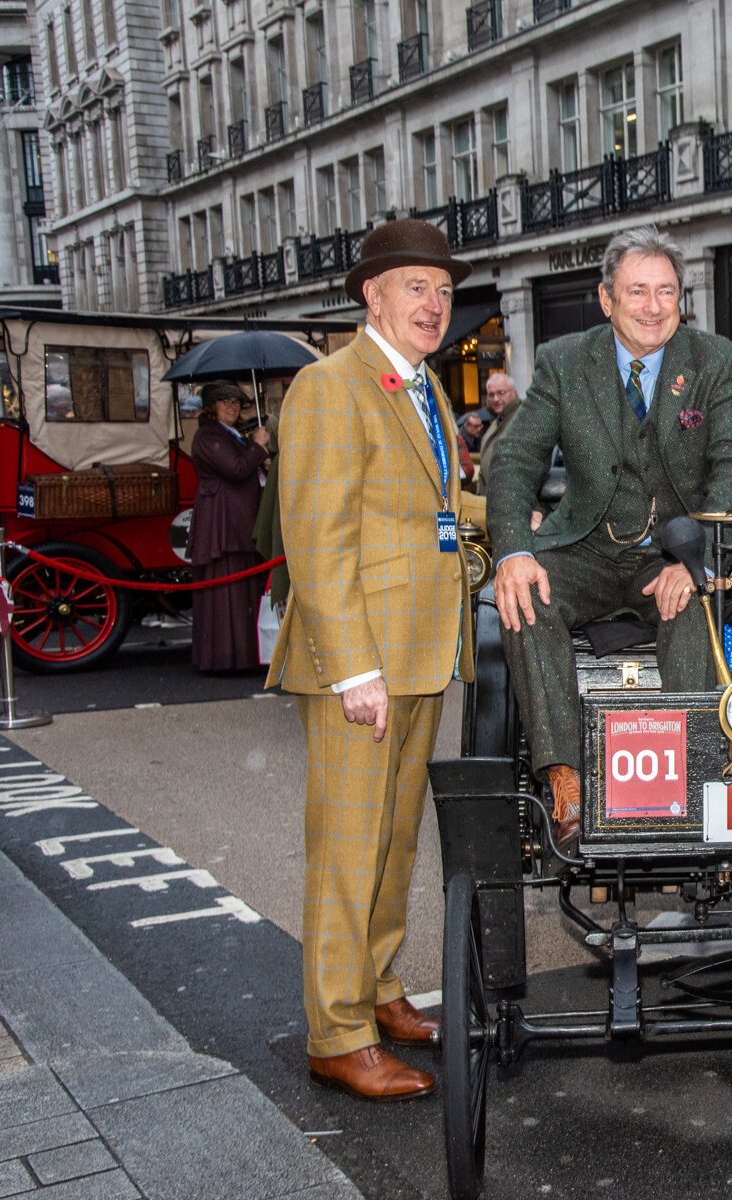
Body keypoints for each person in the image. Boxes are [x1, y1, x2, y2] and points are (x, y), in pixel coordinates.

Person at [268, 218, 476, 1103]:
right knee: (347, 852)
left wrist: (509, 523)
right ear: (372, 295)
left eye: (442, 289)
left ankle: (380, 989)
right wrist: (354, 668)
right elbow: (315, 538)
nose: (433, 304)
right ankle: (336, 1033)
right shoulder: (330, 385)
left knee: (393, 844)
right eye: (415, 288)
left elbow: (436, 503)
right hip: (364, 665)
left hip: (421, 655)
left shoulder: (420, 387)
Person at [486, 226, 732, 847]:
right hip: (582, 545)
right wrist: (515, 551)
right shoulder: (562, 360)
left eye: (666, 291)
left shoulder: (714, 360)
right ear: (607, 299)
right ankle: (566, 781)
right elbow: (516, 461)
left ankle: (687, 784)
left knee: (693, 609)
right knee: (525, 598)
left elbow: (731, 468)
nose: (654, 306)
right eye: (638, 291)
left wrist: (694, 561)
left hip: (671, 552)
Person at [189, 381, 270, 672]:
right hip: (222, 523)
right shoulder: (208, 435)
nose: (233, 407)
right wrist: (258, 446)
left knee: (240, 592)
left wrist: (261, 460)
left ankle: (242, 654)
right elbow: (236, 469)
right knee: (228, 592)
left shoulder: (228, 434)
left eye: (236, 402)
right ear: (212, 406)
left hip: (236, 520)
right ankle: (225, 657)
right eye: (226, 402)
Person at [474, 370, 522, 483]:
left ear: (514, 393)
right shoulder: (499, 420)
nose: (495, 399)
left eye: (501, 393)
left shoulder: (523, 420)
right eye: (491, 394)